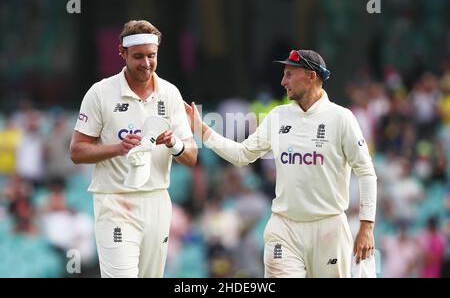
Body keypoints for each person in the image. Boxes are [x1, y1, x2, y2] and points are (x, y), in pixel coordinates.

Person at [185, 49, 377, 278]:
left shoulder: (341, 118)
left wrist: (366, 226)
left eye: (289, 74)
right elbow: (242, 154)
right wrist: (203, 131)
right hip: (284, 228)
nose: (282, 81)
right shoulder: (278, 117)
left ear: (310, 76)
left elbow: (366, 172)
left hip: (329, 228)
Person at [70, 20, 198, 278]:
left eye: (152, 56)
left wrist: (173, 143)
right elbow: (77, 151)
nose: (146, 63)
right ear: (122, 52)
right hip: (115, 201)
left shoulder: (170, 94)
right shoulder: (100, 93)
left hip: (157, 201)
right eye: (138, 56)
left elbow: (192, 157)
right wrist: (118, 148)